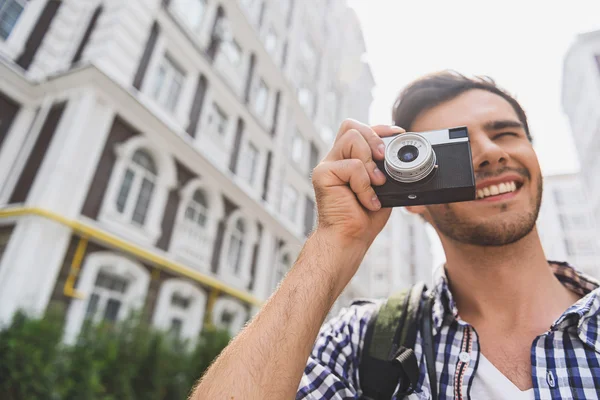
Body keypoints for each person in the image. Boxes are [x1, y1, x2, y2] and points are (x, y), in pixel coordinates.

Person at [190, 71, 600, 399]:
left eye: (507, 133)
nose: (492, 152)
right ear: (412, 193)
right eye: (454, 146)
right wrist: (334, 241)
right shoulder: (361, 342)